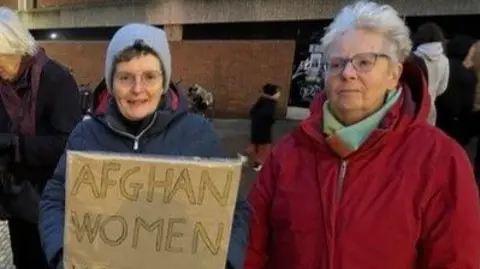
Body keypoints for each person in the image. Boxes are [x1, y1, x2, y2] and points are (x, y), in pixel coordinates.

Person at [245, 1, 480, 269]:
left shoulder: (441, 160)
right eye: (337, 64)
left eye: (364, 62)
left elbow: (456, 260)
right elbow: (253, 247)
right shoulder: (287, 154)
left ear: (394, 74)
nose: (347, 74)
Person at [38, 23, 248, 269]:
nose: (137, 89)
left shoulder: (199, 134)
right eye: (125, 77)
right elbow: (54, 200)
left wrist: (225, 261)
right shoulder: (86, 134)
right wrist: (64, 254)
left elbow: (234, 210)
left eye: (149, 76)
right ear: (111, 83)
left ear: (164, 82)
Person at [0, 7, 82, 269]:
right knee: (23, 260)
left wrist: (15, 145)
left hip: (48, 199)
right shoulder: (2, 84)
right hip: (17, 199)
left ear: (18, 48)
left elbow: (68, 143)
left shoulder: (56, 80)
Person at [435, 35, 478, 147]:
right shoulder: (469, 74)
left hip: (441, 120)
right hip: (460, 123)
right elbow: (469, 103)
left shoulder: (441, 68)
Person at [411, 22, 449, 125]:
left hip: (412, 108)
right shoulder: (444, 60)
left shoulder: (413, 58)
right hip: (431, 109)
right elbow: (442, 89)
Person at [240, 83, 280, 171]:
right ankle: (258, 164)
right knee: (264, 149)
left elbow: (252, 112)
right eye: (277, 92)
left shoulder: (261, 100)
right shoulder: (270, 103)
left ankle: (244, 157)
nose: (279, 94)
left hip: (256, 128)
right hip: (264, 130)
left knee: (254, 145)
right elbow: (269, 116)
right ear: (273, 93)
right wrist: (271, 121)